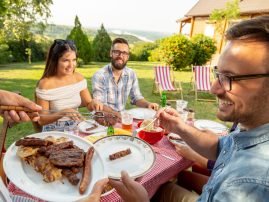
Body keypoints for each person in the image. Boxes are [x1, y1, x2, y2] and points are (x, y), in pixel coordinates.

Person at [108, 16, 269, 202]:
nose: (213, 89)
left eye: (230, 77)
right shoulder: (252, 129)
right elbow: (220, 148)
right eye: (218, 74)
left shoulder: (247, 186)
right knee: (163, 186)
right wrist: (179, 127)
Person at [35, 39, 103, 131]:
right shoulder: (45, 84)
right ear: (55, 61)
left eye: (74, 60)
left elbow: (88, 104)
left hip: (77, 127)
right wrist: (64, 112)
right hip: (54, 131)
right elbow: (42, 120)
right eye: (66, 60)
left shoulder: (78, 78)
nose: (71, 65)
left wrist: (94, 103)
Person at [92, 37, 159, 118]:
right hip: (103, 119)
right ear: (111, 53)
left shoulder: (131, 74)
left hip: (121, 118)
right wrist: (119, 115)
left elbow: (136, 97)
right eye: (117, 52)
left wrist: (148, 104)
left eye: (124, 53)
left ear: (128, 56)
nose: (120, 56)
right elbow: (100, 105)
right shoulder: (100, 75)